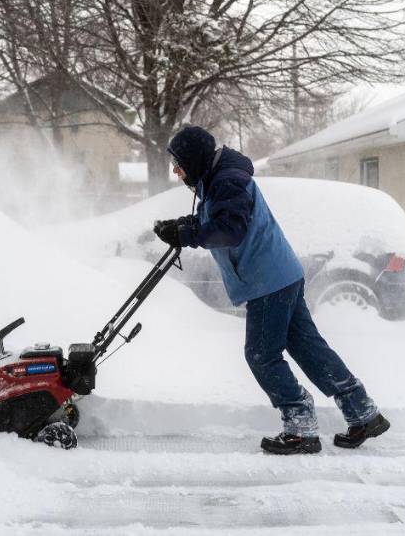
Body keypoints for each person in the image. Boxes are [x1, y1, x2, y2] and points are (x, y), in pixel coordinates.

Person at [153, 125, 389, 455]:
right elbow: (220, 219)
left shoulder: (226, 180)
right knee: (307, 348)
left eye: (178, 163)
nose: (176, 171)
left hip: (268, 280)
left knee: (261, 355)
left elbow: (230, 230)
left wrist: (187, 234)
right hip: (280, 274)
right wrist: (184, 226)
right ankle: (362, 411)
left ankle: (300, 424)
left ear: (193, 159)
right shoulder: (219, 177)